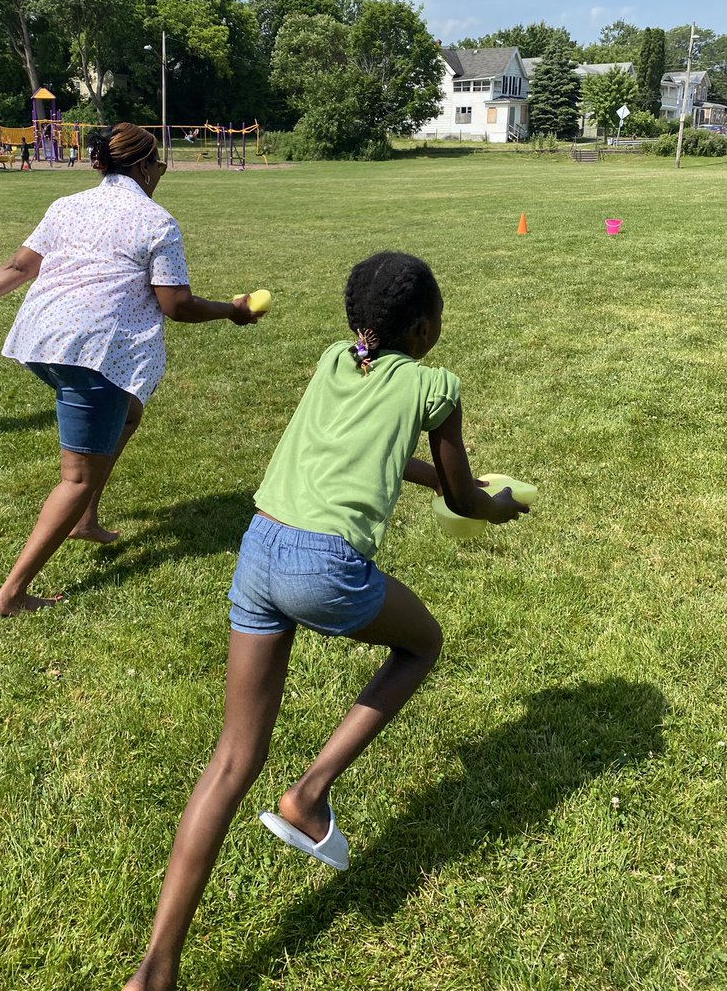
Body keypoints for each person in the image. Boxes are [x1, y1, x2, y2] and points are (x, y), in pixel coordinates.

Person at [122, 251, 529, 991]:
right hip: (325, 569)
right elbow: (467, 499)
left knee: (229, 761)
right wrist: (495, 505)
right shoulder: (437, 386)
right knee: (423, 644)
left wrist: (436, 476)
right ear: (428, 326)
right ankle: (310, 794)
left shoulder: (335, 358)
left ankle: (154, 971)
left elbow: (363, 446)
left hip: (259, 548)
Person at [0, 123, 263, 617]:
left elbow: (18, 266)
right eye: (159, 163)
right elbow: (177, 305)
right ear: (143, 166)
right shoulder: (156, 221)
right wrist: (233, 310)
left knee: (126, 415)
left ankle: (86, 518)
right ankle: (12, 592)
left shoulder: (67, 205)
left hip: (43, 341)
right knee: (75, 477)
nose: (160, 172)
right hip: (91, 352)